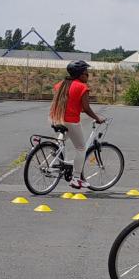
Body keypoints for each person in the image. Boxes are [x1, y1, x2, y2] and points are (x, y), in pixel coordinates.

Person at [49, 60, 105, 189]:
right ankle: (76, 178)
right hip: (71, 121)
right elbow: (86, 108)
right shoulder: (82, 87)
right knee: (81, 148)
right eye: (86, 73)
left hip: (56, 119)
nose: (88, 76)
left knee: (61, 142)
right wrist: (97, 118)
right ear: (80, 74)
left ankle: (55, 151)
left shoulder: (60, 85)